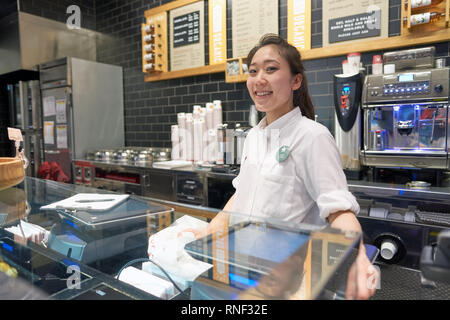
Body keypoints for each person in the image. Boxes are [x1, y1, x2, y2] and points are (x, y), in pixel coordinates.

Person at [182, 34, 378, 300]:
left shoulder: (312, 136)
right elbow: (241, 195)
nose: (259, 78)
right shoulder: (253, 136)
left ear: (296, 80)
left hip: (287, 280)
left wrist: (357, 258)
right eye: (253, 71)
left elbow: (339, 211)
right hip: (242, 267)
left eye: (271, 69)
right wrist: (207, 232)